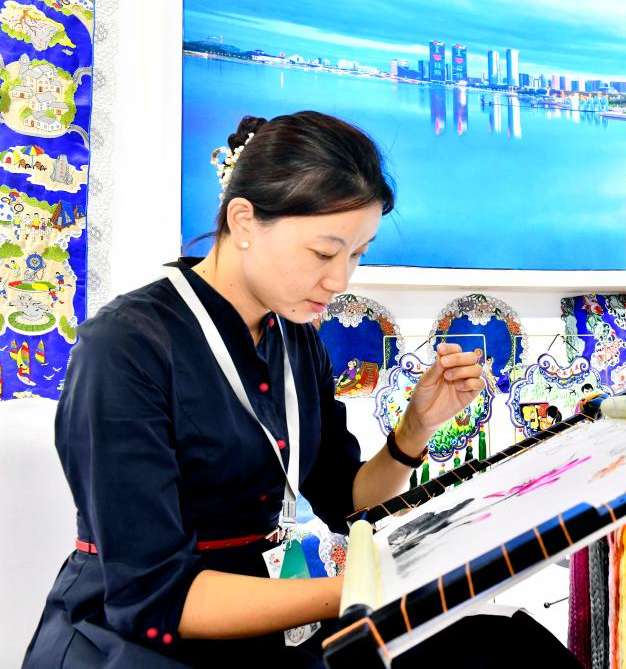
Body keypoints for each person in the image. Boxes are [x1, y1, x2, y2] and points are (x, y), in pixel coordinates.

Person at [23, 111, 579, 668]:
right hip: (139, 639)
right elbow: (156, 598)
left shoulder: (295, 338)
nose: (340, 280)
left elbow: (348, 504)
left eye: (357, 254)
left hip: (269, 614)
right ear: (243, 220)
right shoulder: (126, 347)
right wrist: (369, 589)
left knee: (506, 649)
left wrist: (415, 429)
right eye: (324, 253)